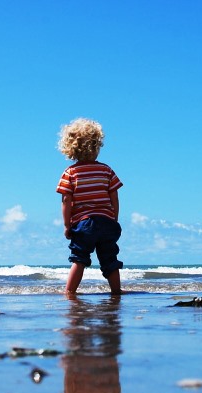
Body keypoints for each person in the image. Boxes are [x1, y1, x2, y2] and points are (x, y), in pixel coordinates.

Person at [56, 118, 124, 295]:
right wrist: (114, 218)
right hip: (107, 222)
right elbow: (114, 196)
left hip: (84, 224)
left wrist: (67, 225)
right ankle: (116, 291)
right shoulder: (106, 170)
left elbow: (66, 201)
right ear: (97, 146)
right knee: (110, 259)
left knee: (79, 259)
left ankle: (70, 292)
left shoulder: (70, 173)